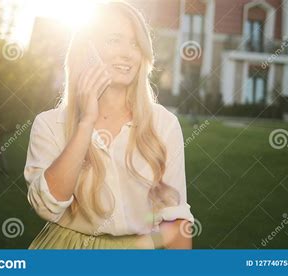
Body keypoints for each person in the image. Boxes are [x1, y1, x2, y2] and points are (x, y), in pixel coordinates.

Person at [24, 0, 195, 249]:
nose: (127, 53)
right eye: (114, 40)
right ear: (87, 49)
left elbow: (176, 221)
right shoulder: (49, 124)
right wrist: (86, 123)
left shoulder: (164, 124)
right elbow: (47, 207)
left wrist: (133, 248)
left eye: (135, 43)